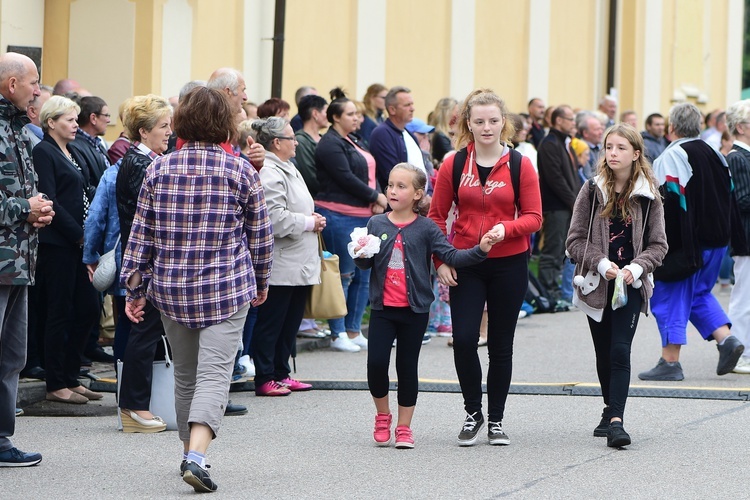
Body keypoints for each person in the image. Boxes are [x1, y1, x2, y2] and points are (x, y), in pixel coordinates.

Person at [121, 86, 273, 493]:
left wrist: (134, 287)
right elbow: (260, 236)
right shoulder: (239, 170)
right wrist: (262, 279)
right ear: (225, 122)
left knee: (186, 375)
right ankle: (197, 456)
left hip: (172, 287)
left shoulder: (160, 168)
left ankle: (189, 452)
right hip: (226, 286)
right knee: (215, 374)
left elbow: (141, 235)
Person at [428, 89, 542, 446]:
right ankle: (472, 412)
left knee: (500, 345)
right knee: (463, 339)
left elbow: (535, 217)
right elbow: (435, 217)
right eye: (479, 121)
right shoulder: (454, 163)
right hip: (466, 262)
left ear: (503, 122)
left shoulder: (521, 164)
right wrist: (441, 260)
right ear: (468, 124)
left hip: (509, 263)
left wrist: (506, 228)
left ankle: (496, 419)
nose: (487, 127)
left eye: (493, 120)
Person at [356, 163, 498, 448]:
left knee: (407, 367)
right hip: (383, 309)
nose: (393, 191)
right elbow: (364, 263)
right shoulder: (377, 224)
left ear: (418, 194)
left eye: (401, 186)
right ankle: (382, 415)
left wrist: (480, 250)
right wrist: (360, 252)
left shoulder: (426, 228)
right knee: (376, 364)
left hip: (414, 310)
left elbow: (451, 256)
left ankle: (404, 427)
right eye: (390, 185)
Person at [566, 124, 667, 448]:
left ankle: (616, 422)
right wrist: (601, 263)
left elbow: (658, 245)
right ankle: (609, 406)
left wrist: (636, 267)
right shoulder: (592, 190)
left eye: (621, 147)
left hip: (631, 286)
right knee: (603, 352)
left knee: (620, 349)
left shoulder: (649, 195)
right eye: (609, 147)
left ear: (636, 154)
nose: (612, 153)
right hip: (596, 283)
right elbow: (575, 239)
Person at [639, 103, 746, 381]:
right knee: (698, 294)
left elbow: (670, 204)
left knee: (668, 295)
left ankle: (670, 361)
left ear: (672, 127)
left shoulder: (672, 155)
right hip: (717, 241)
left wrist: (662, 245)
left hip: (688, 242)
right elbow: (730, 196)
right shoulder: (715, 153)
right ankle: (727, 340)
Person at [32, 95, 102, 404]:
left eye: (76, 119)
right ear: (51, 122)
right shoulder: (43, 152)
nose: (76, 124)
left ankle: (72, 376)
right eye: (70, 120)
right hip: (58, 244)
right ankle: (56, 382)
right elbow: (50, 199)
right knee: (58, 311)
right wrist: (79, 235)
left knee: (86, 308)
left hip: (78, 242)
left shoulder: (71, 151)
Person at [248, 117, 325, 396]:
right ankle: (265, 376)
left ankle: (282, 372)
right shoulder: (269, 170)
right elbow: (273, 218)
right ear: (277, 142)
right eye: (291, 137)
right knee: (272, 323)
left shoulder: (287, 166)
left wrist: (311, 217)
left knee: (289, 322)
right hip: (282, 262)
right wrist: (308, 222)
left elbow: (295, 207)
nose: (296, 142)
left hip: (298, 261)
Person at [0, 51, 51, 467]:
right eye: (34, 82)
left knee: (12, 356)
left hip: (18, 264)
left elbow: (21, 192)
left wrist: (39, 210)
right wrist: (24, 209)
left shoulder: (18, 128)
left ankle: (1, 440)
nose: (38, 90)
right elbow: (12, 202)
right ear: (12, 84)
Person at [114, 94, 174, 433]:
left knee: (149, 330)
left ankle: (139, 403)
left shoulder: (149, 160)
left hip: (150, 261)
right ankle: (135, 407)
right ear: (143, 132)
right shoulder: (139, 164)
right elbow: (146, 222)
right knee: (144, 330)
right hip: (145, 262)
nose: (169, 132)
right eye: (163, 126)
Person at [315, 88, 388, 352]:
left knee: (362, 275)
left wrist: (377, 197)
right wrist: (376, 197)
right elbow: (345, 178)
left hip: (362, 215)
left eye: (357, 113)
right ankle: (337, 333)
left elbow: (370, 171)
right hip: (339, 215)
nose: (357, 118)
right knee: (343, 275)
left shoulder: (354, 140)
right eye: (350, 114)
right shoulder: (330, 144)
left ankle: (354, 329)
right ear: (335, 118)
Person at [536, 105, 580, 302]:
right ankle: (549, 295)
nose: (573, 123)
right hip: (556, 207)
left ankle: (555, 294)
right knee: (552, 252)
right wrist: (573, 201)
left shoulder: (565, 144)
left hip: (567, 206)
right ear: (559, 120)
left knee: (562, 251)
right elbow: (556, 179)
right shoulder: (550, 144)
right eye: (570, 119)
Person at [724, 100, 750, 373]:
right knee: (744, 298)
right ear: (741, 127)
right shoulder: (738, 157)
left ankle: (744, 349)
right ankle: (738, 353)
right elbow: (743, 200)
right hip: (745, 239)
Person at [294, 94, 328, 197]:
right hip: (317, 200)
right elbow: (311, 177)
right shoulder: (300, 141)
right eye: (326, 112)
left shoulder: (324, 139)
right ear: (315, 114)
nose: (329, 116)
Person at [429, 97, 458, 165]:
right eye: (456, 112)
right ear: (448, 112)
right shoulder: (440, 136)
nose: (458, 115)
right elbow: (453, 158)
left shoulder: (444, 134)